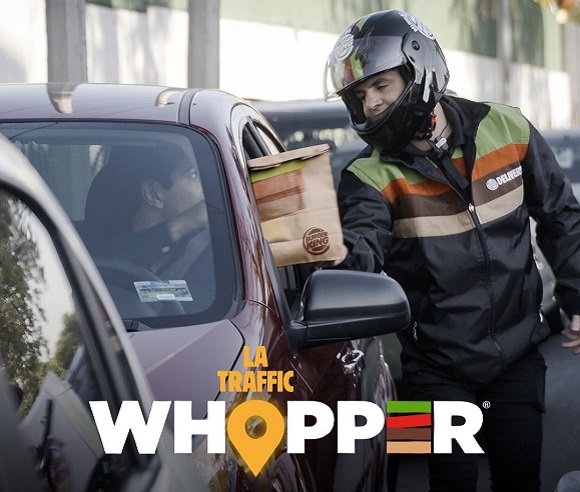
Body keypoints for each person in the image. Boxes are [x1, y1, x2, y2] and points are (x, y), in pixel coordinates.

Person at [322, 9, 580, 492]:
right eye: (359, 95)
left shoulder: (508, 127)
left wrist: (578, 298)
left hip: (518, 357)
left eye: (380, 85)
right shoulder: (366, 176)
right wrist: (322, 250)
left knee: (520, 482)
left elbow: (562, 216)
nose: (371, 103)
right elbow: (359, 254)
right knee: (442, 484)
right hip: (426, 368)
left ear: (420, 69)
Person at [84, 144, 213, 315]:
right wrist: (180, 226)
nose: (207, 189)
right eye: (193, 175)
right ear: (154, 194)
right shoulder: (97, 255)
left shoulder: (213, 250)